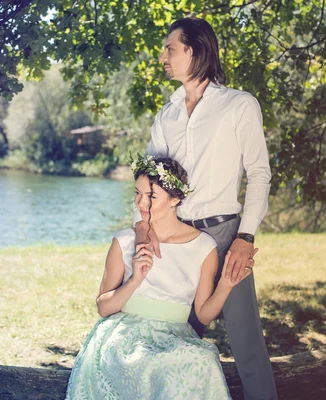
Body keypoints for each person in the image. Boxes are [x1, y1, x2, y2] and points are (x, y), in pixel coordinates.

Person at [134, 17, 278, 399]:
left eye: (171, 48)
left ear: (194, 52)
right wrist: (142, 227)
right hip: (178, 235)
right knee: (176, 331)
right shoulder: (167, 116)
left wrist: (245, 236)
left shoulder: (239, 105)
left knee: (246, 339)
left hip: (226, 233)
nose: (163, 56)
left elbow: (259, 174)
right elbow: (149, 183)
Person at [65, 155, 257, 399]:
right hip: (125, 336)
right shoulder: (124, 241)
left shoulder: (203, 246)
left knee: (201, 360)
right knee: (144, 362)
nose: (141, 203)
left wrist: (226, 285)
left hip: (174, 335)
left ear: (175, 199)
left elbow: (204, 314)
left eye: (151, 196)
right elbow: (103, 307)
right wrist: (135, 279)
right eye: (138, 193)